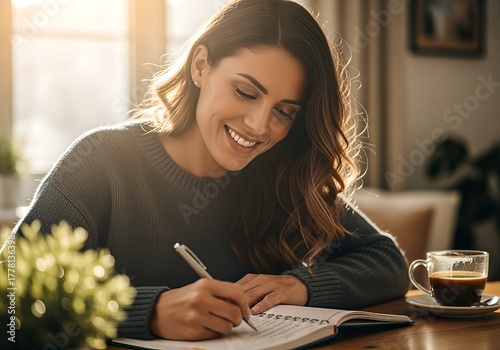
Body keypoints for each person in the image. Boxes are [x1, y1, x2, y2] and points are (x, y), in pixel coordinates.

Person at [14, 0, 409, 342]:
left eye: (284, 112)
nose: (259, 126)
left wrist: (299, 286)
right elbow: (11, 293)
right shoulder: (101, 162)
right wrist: (147, 312)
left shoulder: (282, 173)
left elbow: (388, 261)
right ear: (201, 66)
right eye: (245, 92)